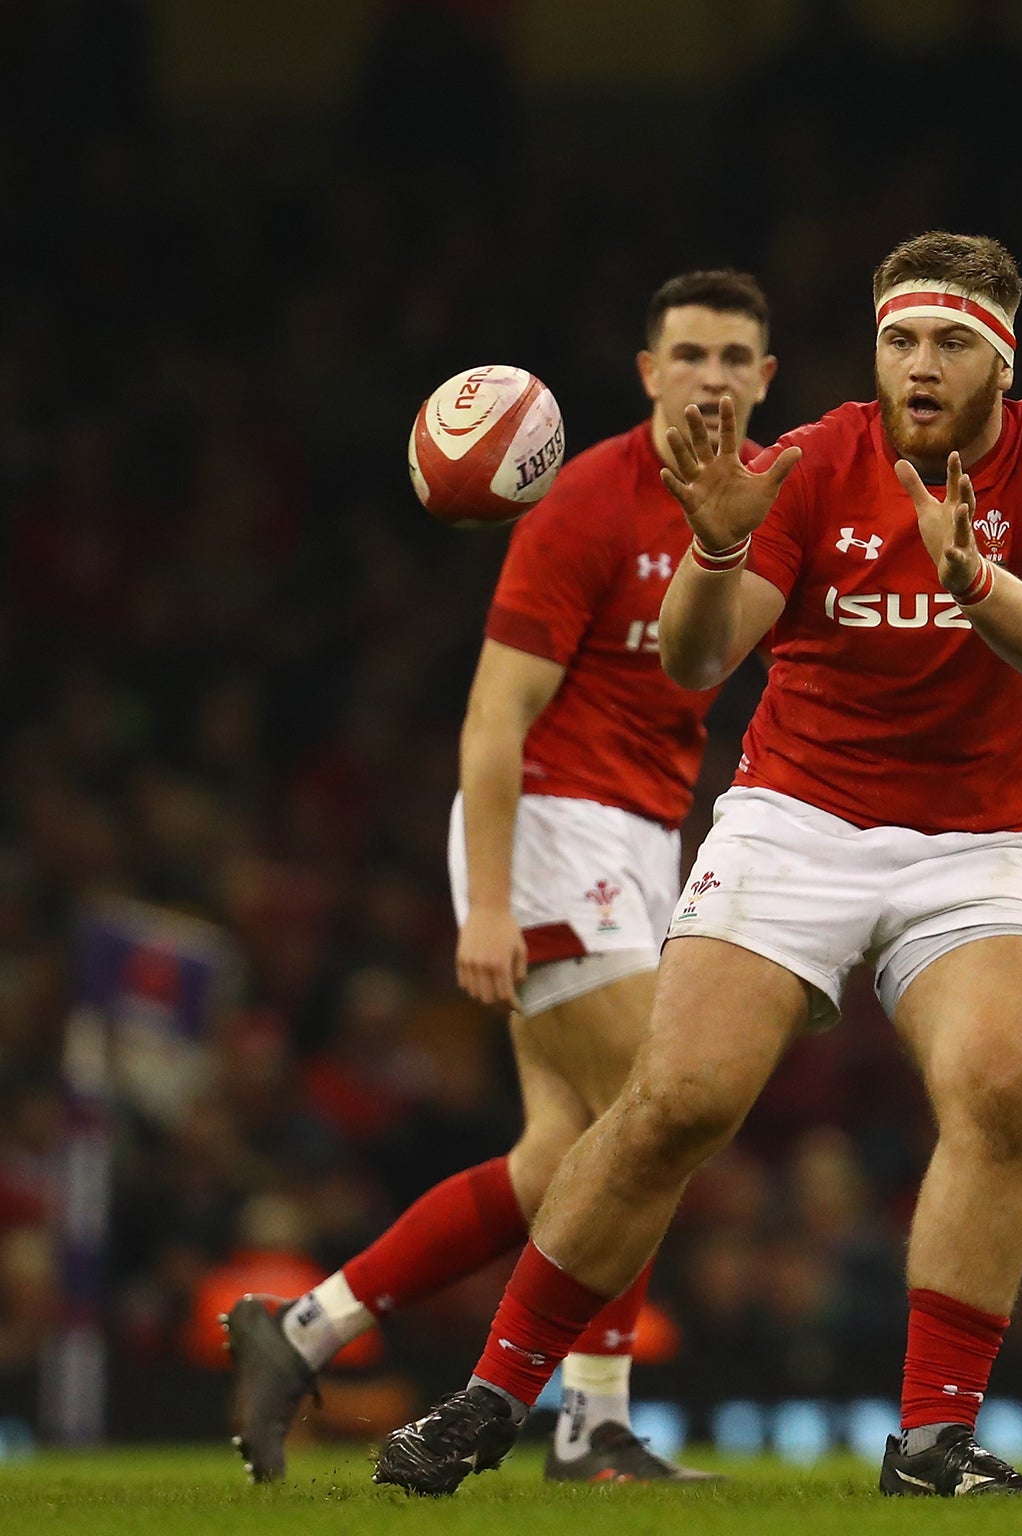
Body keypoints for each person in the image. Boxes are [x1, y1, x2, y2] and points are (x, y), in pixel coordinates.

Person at [369, 230, 1022, 1499]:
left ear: (1004, 357)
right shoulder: (820, 457)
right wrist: (718, 548)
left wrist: (975, 577)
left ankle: (932, 1443)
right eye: (899, 338)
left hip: (981, 839)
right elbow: (692, 661)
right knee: (673, 1105)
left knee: (1002, 1085)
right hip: (798, 814)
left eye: (950, 341)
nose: (918, 365)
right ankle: (489, 1400)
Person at [224, 269, 781, 1485]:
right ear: (647, 372)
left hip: (645, 838)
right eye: (689, 353)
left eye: (737, 357)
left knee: (560, 1160)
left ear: (766, 379)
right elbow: (492, 718)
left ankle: (303, 1328)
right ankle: (589, 1423)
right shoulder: (584, 504)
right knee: (663, 1105)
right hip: (549, 828)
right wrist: (484, 903)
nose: (713, 377)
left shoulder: (758, 501)